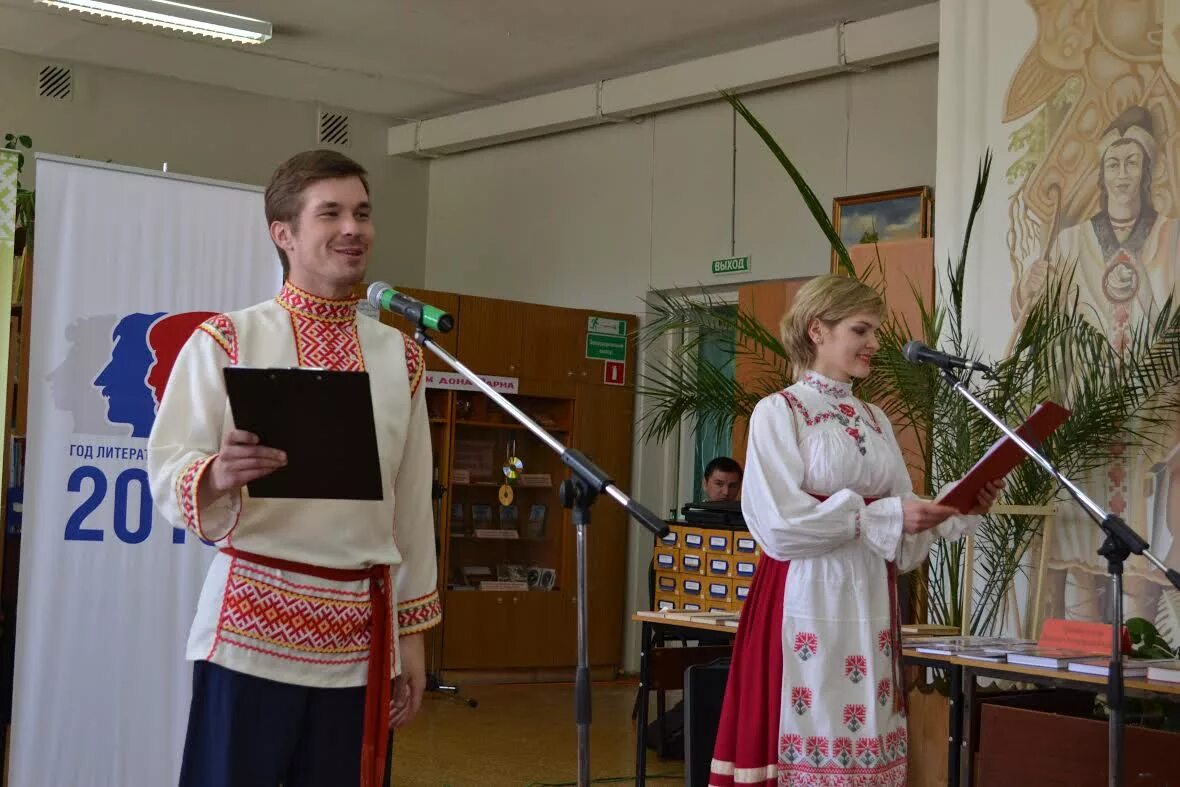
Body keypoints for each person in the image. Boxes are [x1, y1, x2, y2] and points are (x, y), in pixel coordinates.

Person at [148, 150, 440, 787]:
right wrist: (217, 474)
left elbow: (412, 507)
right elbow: (168, 467)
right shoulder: (227, 340)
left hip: (359, 640)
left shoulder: (403, 358)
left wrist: (411, 639)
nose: (353, 228)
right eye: (330, 212)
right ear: (283, 233)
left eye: (362, 213)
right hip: (250, 631)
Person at [708, 275, 1001, 786]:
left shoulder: (875, 418)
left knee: (866, 730)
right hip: (804, 595)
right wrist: (875, 517)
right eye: (861, 329)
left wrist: (951, 508)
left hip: (869, 598)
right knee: (813, 715)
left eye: (876, 332)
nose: (873, 344)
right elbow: (777, 524)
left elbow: (902, 533)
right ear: (817, 330)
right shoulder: (780, 410)